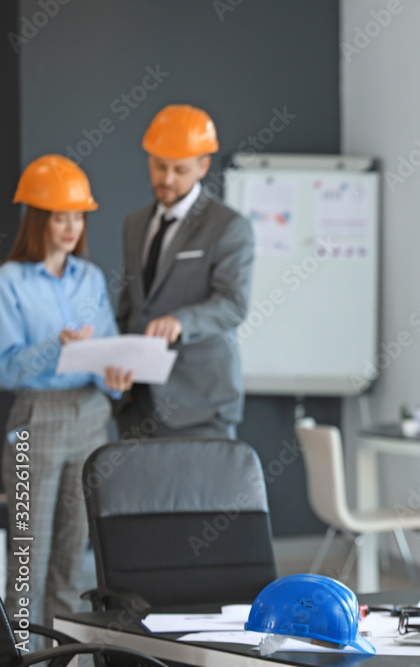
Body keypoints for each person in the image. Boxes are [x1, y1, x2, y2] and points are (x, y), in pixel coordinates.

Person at [0, 155, 134, 635]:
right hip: (36, 418)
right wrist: (56, 347)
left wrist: (113, 376)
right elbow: (7, 366)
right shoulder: (9, 281)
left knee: (73, 553)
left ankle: (63, 655)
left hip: (91, 416)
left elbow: (106, 347)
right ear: (38, 219)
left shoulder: (91, 278)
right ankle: (19, 654)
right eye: (60, 217)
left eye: (78, 217)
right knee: (27, 554)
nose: (71, 227)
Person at [116, 104, 254, 439]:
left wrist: (181, 322)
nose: (166, 179)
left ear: (203, 165)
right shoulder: (135, 224)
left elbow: (233, 304)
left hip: (199, 405)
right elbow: (130, 304)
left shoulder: (228, 227)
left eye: (179, 170)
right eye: (159, 166)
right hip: (138, 402)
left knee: (200, 494)